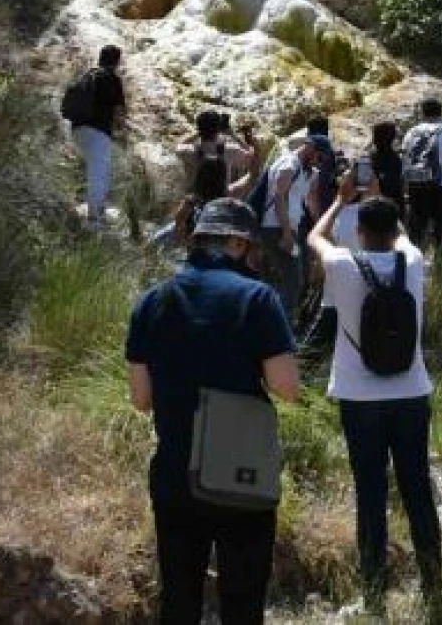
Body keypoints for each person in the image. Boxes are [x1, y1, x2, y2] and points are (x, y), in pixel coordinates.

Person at [125, 199, 301, 625]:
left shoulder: (151, 301)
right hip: (240, 475)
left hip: (174, 474)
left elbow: (141, 399)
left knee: (179, 600)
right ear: (238, 243)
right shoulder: (258, 298)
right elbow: (287, 388)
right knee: (241, 604)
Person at [307, 175, 441, 608]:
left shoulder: (342, 265)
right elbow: (400, 233)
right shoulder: (413, 262)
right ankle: (434, 584)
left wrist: (340, 201)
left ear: (360, 232)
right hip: (411, 393)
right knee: (416, 487)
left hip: (358, 397)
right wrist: (382, 194)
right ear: (396, 229)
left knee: (370, 491)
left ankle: (373, 593)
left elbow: (315, 236)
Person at [258, 134, 331, 314]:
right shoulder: (288, 165)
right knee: (293, 279)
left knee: (289, 276)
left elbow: (310, 201)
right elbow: (278, 198)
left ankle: (272, 320)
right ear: (310, 148)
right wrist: (286, 233)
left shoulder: (307, 171)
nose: (318, 163)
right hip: (276, 229)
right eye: (319, 157)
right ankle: (283, 327)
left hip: (289, 229)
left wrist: (322, 228)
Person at [167, 109, 255, 245]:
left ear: (199, 128)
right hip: (223, 197)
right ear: (218, 129)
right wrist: (232, 134)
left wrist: (197, 133)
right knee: (250, 179)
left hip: (195, 200)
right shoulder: (230, 150)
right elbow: (252, 157)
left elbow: (177, 146)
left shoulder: (189, 151)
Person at [63, 45, 127, 229]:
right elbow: (120, 110)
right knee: (99, 173)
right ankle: (95, 219)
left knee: (91, 170)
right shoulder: (111, 78)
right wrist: (121, 128)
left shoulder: (87, 75)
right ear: (116, 61)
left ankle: (90, 210)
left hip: (77, 130)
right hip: (97, 131)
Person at [401, 99, 442, 253]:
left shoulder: (411, 132)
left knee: (417, 231)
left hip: (417, 185)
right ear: (441, 113)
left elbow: (405, 159)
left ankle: (415, 264)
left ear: (422, 113)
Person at [368, 121, 406, 212]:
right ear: (392, 138)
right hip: (391, 207)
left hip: (370, 207)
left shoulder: (367, 159)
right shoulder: (396, 159)